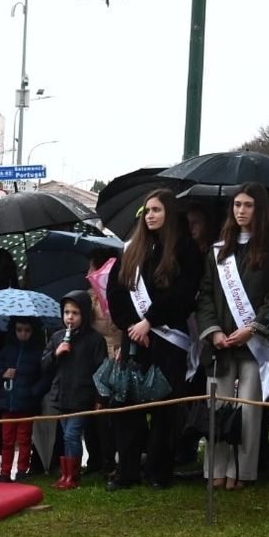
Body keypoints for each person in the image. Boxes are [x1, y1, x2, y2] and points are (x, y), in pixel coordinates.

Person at [105, 188, 204, 490]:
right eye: (147, 211)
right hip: (135, 339)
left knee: (165, 409)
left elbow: (184, 294)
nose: (150, 216)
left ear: (170, 214)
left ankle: (159, 471)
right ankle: (127, 470)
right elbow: (116, 292)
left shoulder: (185, 249)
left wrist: (150, 321)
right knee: (127, 406)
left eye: (156, 210)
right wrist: (131, 326)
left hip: (168, 339)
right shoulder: (132, 250)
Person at [196, 183, 269, 490]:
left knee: (248, 410)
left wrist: (253, 328)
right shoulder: (219, 249)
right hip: (221, 344)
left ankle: (242, 472)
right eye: (237, 205)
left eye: (248, 205)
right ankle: (215, 470)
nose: (241, 211)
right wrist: (213, 331)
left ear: (260, 209)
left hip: (254, 344)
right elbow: (205, 294)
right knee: (218, 407)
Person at [42, 291, 108, 490]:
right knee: (66, 435)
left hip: (82, 396)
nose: (70, 317)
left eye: (75, 313)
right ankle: (66, 474)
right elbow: (44, 365)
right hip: (62, 395)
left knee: (72, 434)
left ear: (85, 314)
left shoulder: (95, 340)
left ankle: (73, 476)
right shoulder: (57, 337)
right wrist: (56, 353)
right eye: (66, 312)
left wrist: (100, 398)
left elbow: (102, 371)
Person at [0, 317, 45, 482]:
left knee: (24, 439)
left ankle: (21, 471)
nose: (23, 334)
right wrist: (3, 374)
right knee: (7, 440)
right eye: (19, 330)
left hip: (26, 404)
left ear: (33, 332)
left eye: (27, 330)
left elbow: (44, 376)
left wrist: (33, 392)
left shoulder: (37, 352)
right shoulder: (7, 350)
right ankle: (5, 472)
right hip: (8, 403)